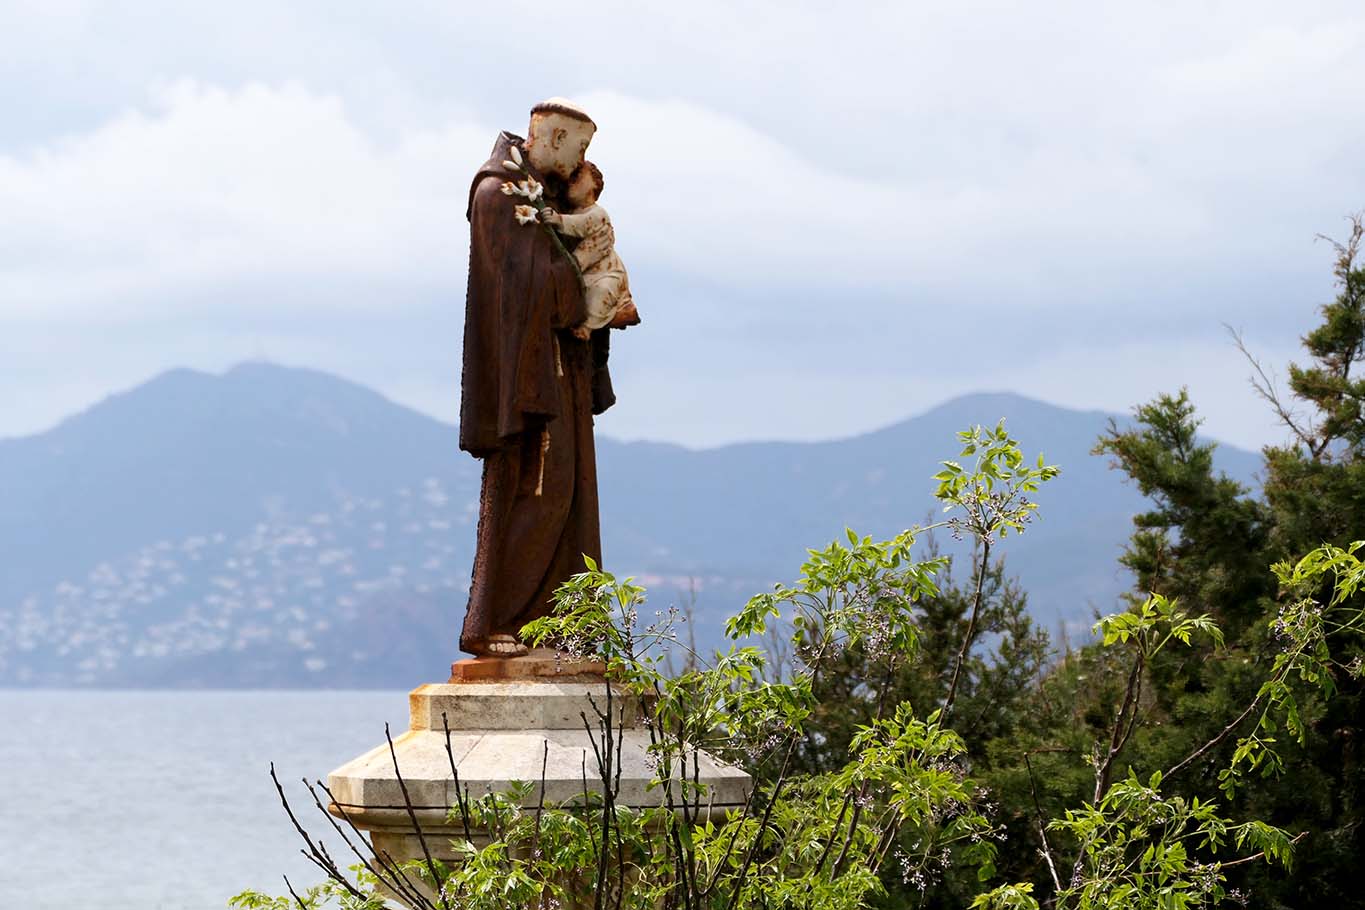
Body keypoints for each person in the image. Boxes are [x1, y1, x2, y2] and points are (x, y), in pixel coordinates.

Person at [457, 98, 617, 657]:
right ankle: (499, 618)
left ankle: (562, 625)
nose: (581, 164)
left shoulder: (546, 200)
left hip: (561, 372)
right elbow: (531, 281)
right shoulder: (499, 195)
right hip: (527, 380)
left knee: (568, 495)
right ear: (550, 138)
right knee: (534, 492)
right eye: (579, 149)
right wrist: (586, 291)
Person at [541, 161, 640, 340]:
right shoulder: (572, 210)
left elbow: (581, 225)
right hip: (588, 273)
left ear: (594, 183)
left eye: (578, 176)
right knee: (586, 294)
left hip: (607, 273)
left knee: (602, 292)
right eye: (570, 178)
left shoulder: (597, 213)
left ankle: (587, 328)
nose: (571, 181)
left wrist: (558, 220)